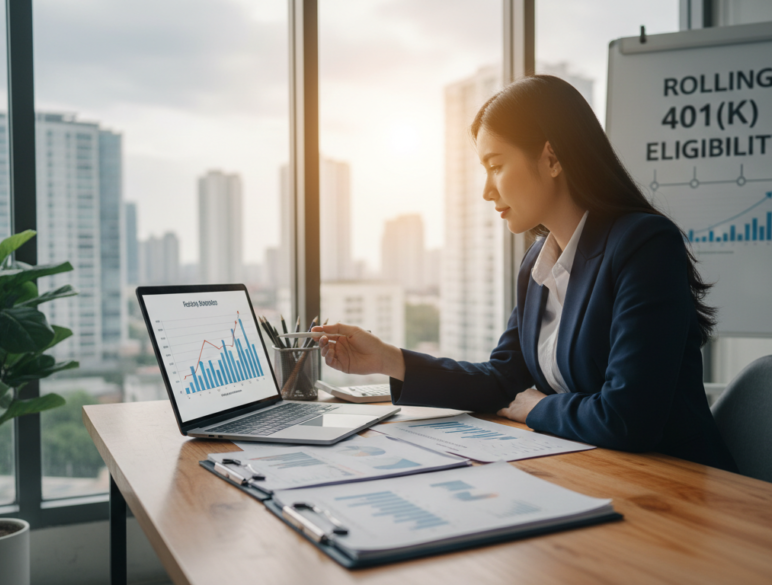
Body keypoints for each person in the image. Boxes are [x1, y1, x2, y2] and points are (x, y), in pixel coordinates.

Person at [315, 75, 737, 471]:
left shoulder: (643, 245)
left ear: (551, 158)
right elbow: (503, 381)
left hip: (677, 486)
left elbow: (629, 418)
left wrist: (537, 408)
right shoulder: (537, 263)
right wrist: (388, 359)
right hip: (599, 471)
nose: (486, 190)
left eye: (496, 165)